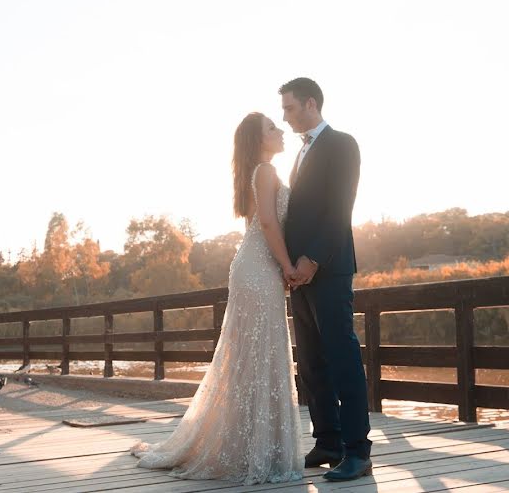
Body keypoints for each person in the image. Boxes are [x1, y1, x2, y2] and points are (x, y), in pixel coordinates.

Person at [131, 112, 303, 485]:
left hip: (254, 267)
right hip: (259, 270)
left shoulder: (257, 173)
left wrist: (279, 267)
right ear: (259, 140)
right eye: (272, 128)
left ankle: (252, 445)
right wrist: (288, 265)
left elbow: (260, 227)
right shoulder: (267, 172)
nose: (281, 131)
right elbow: (271, 226)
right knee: (258, 353)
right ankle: (252, 448)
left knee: (255, 354)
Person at [280, 77, 373, 481]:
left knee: (342, 356)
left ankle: (357, 450)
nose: (284, 118)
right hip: (299, 277)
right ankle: (328, 440)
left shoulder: (342, 144)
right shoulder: (299, 153)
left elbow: (340, 210)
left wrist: (313, 259)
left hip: (329, 268)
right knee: (312, 362)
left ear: (311, 103)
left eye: (289, 108)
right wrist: (288, 267)